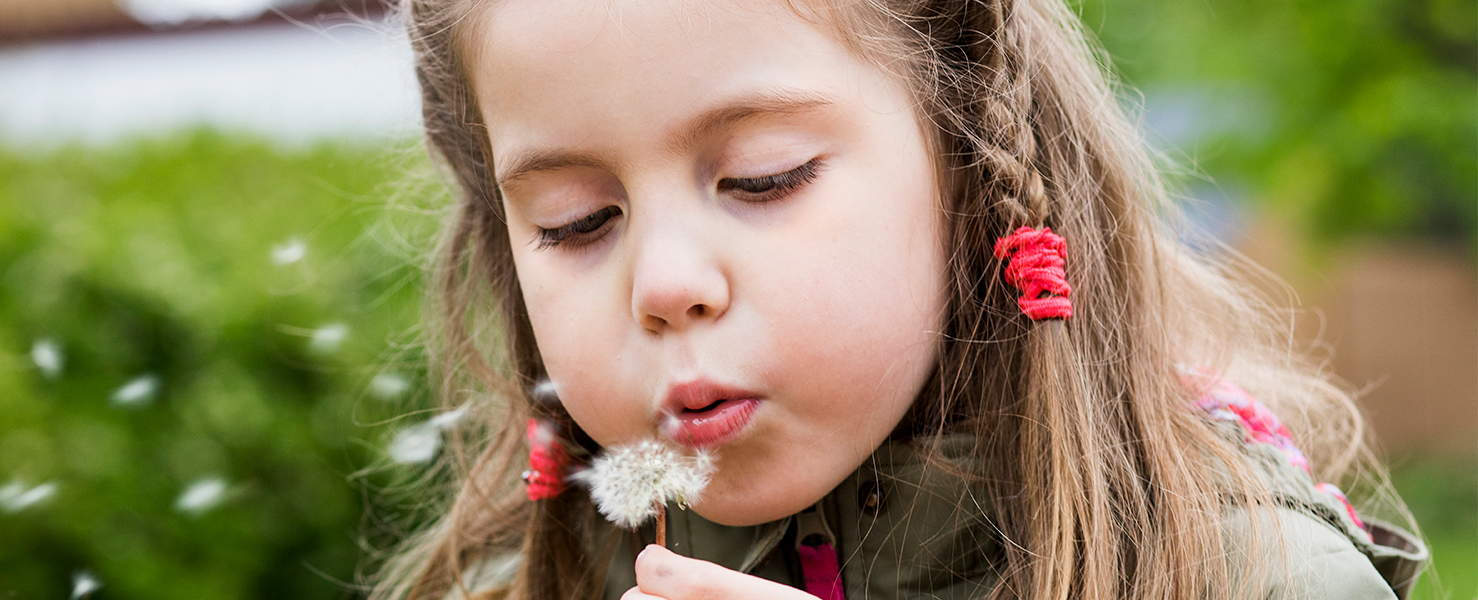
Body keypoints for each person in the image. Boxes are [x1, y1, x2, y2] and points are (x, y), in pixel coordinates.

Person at [368, 0, 1428, 598]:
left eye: (763, 177)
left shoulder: (1249, 580)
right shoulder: (511, 587)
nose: (666, 286)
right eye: (575, 222)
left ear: (970, 160)